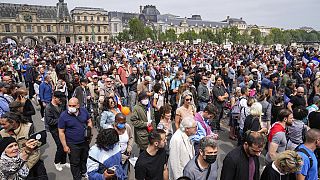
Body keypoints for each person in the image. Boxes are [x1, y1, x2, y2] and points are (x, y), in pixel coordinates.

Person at [0, 111, 48, 179]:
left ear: (13, 122)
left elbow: (36, 148)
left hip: (32, 161)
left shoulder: (28, 127)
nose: (2, 127)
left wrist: (26, 166)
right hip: (15, 166)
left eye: (4, 124)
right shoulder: (2, 133)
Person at [58, 97, 93, 180]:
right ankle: (77, 177)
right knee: (75, 163)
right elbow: (61, 132)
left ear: (78, 105)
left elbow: (89, 121)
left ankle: (84, 172)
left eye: (73, 105)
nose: (71, 107)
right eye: (69, 105)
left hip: (85, 142)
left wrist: (89, 132)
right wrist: (65, 146)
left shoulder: (84, 111)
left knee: (84, 158)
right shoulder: (63, 116)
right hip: (72, 144)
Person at [44, 91, 70, 171]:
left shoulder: (61, 105)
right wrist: (61, 120)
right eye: (59, 99)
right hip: (54, 130)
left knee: (65, 144)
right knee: (60, 146)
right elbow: (50, 121)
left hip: (63, 128)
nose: (61, 101)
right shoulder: (48, 108)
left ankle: (63, 161)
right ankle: (56, 162)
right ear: (54, 98)